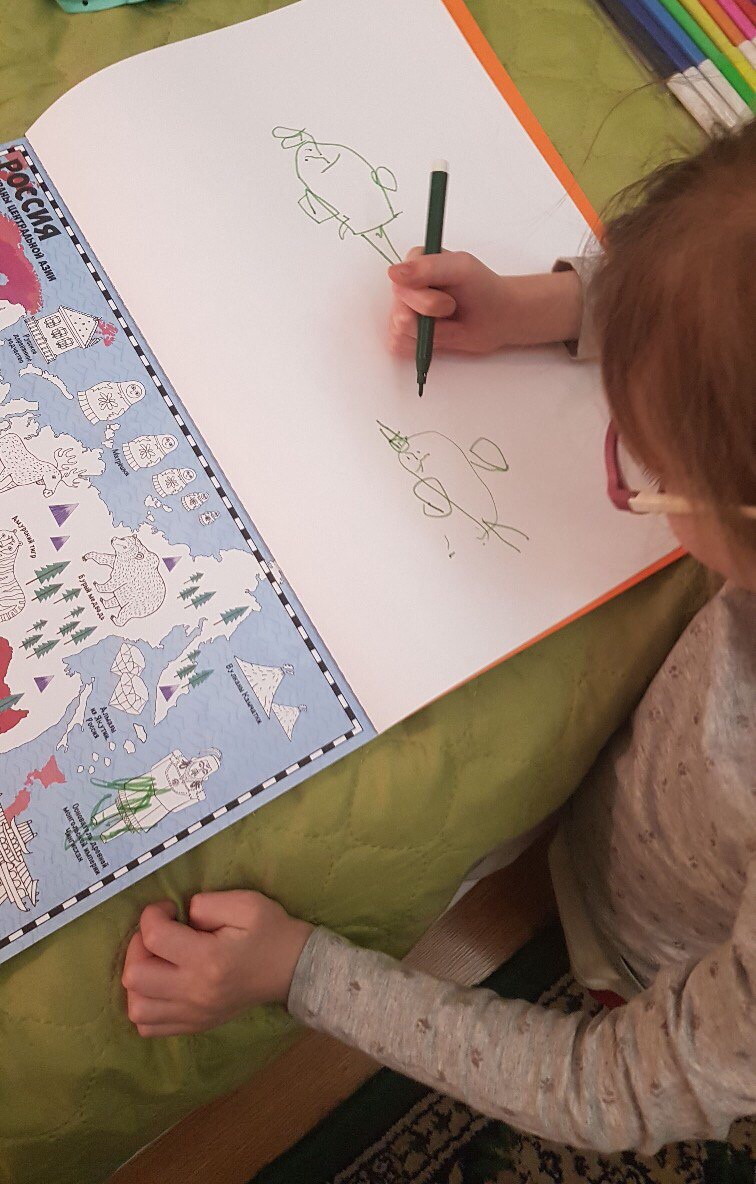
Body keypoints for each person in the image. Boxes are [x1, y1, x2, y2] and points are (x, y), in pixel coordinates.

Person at [121, 123, 756, 1156]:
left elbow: (614, 1090)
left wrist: (299, 972)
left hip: (647, 958)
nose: (625, 472)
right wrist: (547, 307)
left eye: (647, 466)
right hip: (658, 814)